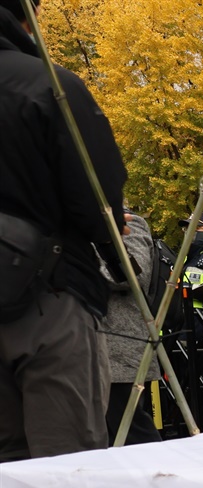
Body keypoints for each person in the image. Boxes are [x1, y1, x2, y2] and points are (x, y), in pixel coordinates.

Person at [1, 0, 126, 461]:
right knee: (67, 468)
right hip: (49, 294)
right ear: (25, 16)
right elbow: (98, 201)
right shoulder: (50, 86)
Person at [100, 208, 162, 445]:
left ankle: (163, 478)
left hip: (120, 351)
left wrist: (77, 268)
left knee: (131, 432)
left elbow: (132, 274)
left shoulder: (129, 223)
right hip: (93, 351)